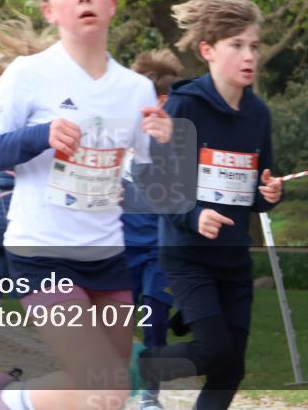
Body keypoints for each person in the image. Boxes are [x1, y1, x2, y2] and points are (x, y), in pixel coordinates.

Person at [0, 0, 172, 410]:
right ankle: (3, 401)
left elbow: (158, 187)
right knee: (106, 389)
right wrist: (40, 135)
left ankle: (7, 399)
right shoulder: (29, 75)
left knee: (110, 388)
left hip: (105, 253)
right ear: (51, 10)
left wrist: (163, 145)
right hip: (41, 250)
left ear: (112, 4)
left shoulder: (136, 89)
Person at [137, 0, 284, 410]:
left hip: (234, 259)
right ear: (208, 50)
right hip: (188, 256)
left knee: (230, 369)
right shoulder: (185, 106)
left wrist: (270, 194)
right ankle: (143, 363)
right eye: (236, 45)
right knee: (214, 352)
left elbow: (259, 185)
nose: (249, 55)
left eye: (254, 46)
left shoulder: (259, 115)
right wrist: (196, 214)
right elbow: (158, 184)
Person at [122, 50, 184, 409]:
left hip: (162, 249)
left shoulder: (178, 141)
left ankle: (150, 394)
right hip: (122, 246)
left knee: (156, 319)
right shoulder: (118, 134)